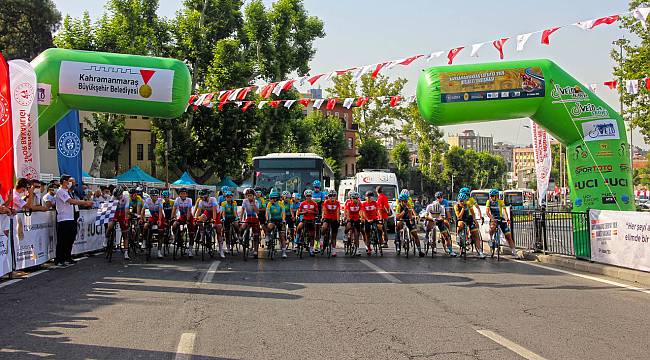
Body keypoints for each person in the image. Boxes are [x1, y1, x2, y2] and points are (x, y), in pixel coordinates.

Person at [54, 175, 93, 266]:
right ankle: (59, 259)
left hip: (71, 218)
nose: (69, 183)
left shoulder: (67, 192)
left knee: (70, 239)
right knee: (62, 240)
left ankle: (67, 257)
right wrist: (85, 202)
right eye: (68, 181)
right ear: (64, 181)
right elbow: (71, 201)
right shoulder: (60, 191)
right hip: (63, 219)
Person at [486, 189, 519, 259]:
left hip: (501, 219)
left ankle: (514, 252)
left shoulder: (501, 202)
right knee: (492, 227)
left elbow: (505, 211)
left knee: (508, 236)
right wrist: (492, 219)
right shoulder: (488, 202)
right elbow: (487, 212)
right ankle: (491, 238)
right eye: (490, 196)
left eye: (492, 196)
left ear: (496, 196)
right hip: (493, 219)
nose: (491, 197)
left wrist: (507, 219)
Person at [194, 189, 224, 259]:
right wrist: (195, 218)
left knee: (218, 228)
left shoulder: (213, 199)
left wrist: (213, 220)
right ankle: (202, 233)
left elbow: (214, 210)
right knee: (199, 220)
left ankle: (221, 249)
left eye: (202, 196)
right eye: (200, 197)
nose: (201, 198)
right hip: (207, 212)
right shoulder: (201, 201)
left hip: (216, 213)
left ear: (207, 195)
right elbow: (198, 211)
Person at [455, 192, 486, 259]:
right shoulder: (456, 206)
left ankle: (480, 252)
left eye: (464, 201)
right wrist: (463, 208)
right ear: (458, 201)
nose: (462, 202)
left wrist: (475, 220)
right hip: (461, 219)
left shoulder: (468, 204)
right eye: (461, 201)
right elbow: (459, 217)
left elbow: (472, 213)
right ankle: (458, 236)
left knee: (476, 234)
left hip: (469, 219)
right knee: (460, 225)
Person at [426, 192, 456, 256]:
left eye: (440, 197)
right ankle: (427, 237)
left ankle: (450, 250)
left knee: (446, 231)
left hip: (440, 218)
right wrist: (431, 219)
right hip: (432, 218)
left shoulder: (444, 204)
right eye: (438, 198)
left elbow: (445, 214)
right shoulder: (430, 206)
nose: (439, 199)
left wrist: (449, 218)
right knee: (428, 226)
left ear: (442, 197)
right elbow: (426, 216)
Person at [106, 186, 132, 260]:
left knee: (125, 233)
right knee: (110, 226)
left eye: (119, 196)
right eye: (116, 196)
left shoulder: (126, 196)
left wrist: (126, 219)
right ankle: (106, 238)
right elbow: (110, 208)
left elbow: (127, 209)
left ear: (122, 194)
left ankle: (126, 252)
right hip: (115, 212)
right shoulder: (113, 197)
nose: (118, 197)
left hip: (123, 212)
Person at [171, 188, 195, 257]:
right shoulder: (177, 199)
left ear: (187, 194)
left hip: (189, 217)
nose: (183, 195)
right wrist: (172, 217)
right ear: (179, 194)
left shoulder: (189, 200)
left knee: (191, 233)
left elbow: (189, 210)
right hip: (181, 216)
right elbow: (174, 209)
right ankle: (178, 239)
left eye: (184, 193)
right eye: (181, 193)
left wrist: (187, 220)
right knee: (174, 225)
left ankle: (190, 250)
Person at [142, 189, 165, 259]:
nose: (155, 197)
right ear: (150, 196)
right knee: (145, 226)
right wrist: (142, 219)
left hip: (159, 216)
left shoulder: (160, 201)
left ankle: (159, 251)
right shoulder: (148, 201)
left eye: (156, 195)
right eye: (153, 195)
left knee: (160, 232)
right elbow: (143, 210)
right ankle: (144, 241)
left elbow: (160, 211)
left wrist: (160, 220)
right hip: (152, 217)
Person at [296, 189, 318, 256]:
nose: (308, 197)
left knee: (312, 235)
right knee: (299, 227)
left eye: (310, 196)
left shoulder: (314, 203)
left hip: (312, 220)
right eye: (307, 196)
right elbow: (299, 213)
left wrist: (312, 212)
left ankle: (311, 249)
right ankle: (297, 240)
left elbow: (317, 213)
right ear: (305, 196)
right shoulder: (302, 203)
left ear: (311, 196)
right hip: (304, 220)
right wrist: (304, 212)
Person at [360, 191, 383, 255]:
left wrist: (380, 217)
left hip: (374, 219)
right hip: (367, 220)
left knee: (380, 227)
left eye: (371, 197)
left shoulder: (375, 203)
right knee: (367, 234)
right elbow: (363, 213)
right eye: (369, 197)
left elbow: (378, 210)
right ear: (366, 197)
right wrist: (367, 219)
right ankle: (368, 247)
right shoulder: (364, 204)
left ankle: (380, 240)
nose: (370, 198)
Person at [239, 188, 260, 258]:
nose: (249, 197)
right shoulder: (245, 201)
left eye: (250, 195)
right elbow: (242, 211)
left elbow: (257, 212)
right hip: (248, 218)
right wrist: (240, 220)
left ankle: (256, 251)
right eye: (248, 196)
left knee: (256, 235)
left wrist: (253, 204)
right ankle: (241, 237)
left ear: (253, 196)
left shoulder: (256, 202)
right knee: (242, 227)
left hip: (254, 218)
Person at [266, 191, 287, 258]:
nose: (270, 200)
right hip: (272, 220)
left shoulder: (281, 204)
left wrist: (283, 220)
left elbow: (283, 213)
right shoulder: (269, 204)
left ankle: (284, 252)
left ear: (275, 199)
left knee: (282, 236)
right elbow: (267, 212)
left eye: (271, 198)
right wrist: (267, 219)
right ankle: (268, 237)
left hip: (280, 220)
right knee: (269, 226)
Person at [321, 189, 341, 257]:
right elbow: (324, 211)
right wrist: (323, 218)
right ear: (328, 196)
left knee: (334, 236)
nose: (332, 197)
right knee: (324, 227)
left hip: (334, 219)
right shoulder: (326, 202)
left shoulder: (337, 203)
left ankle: (333, 250)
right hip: (327, 218)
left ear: (336, 196)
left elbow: (338, 212)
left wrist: (338, 220)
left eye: (334, 196)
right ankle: (322, 237)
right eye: (330, 196)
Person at [344, 191, 362, 256]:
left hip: (356, 219)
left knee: (357, 234)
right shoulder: (348, 203)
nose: (356, 200)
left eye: (357, 198)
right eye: (354, 198)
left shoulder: (359, 203)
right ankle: (346, 235)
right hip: (350, 218)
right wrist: (347, 218)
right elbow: (347, 211)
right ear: (351, 198)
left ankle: (357, 249)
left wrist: (362, 218)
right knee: (348, 226)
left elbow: (361, 211)